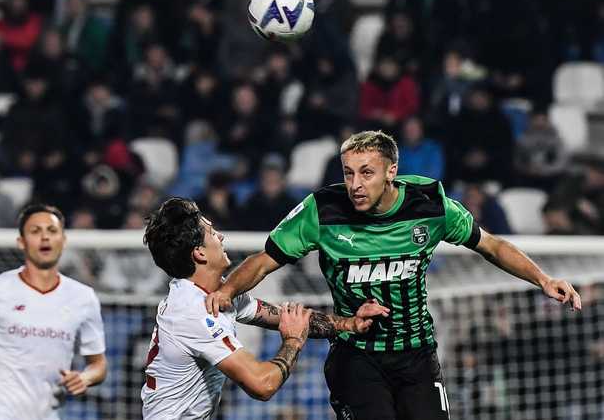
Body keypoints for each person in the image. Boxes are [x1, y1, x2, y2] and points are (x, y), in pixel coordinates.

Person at [205, 130, 582, 420]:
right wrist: (227, 291)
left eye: (366, 173)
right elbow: (264, 259)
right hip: (356, 356)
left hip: (417, 356)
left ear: (391, 172)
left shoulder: (430, 205)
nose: (354, 184)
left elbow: (491, 245)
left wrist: (543, 280)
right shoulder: (321, 211)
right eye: (348, 173)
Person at [141, 198, 389, 419]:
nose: (221, 237)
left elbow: (283, 317)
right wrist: (292, 341)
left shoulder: (216, 294)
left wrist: (348, 324)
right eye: (212, 233)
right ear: (200, 253)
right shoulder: (193, 313)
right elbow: (262, 385)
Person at [0, 204, 107, 419]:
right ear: (21, 242)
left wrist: (85, 378)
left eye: (52, 231)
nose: (45, 238)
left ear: (63, 240)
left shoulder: (83, 297)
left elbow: (98, 364)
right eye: (35, 231)